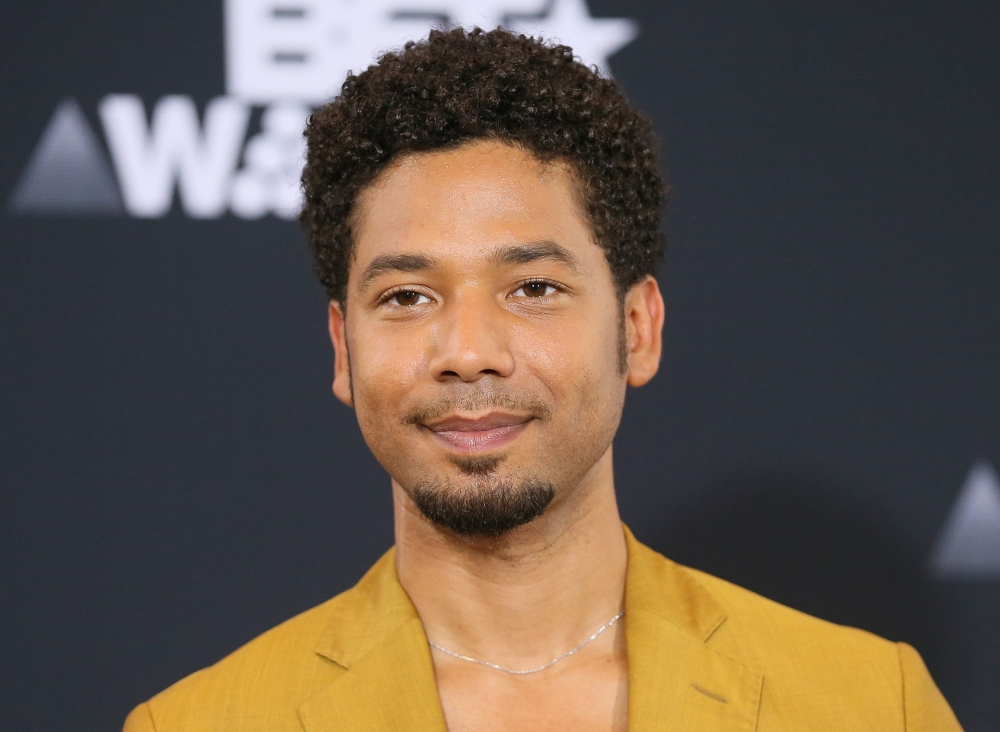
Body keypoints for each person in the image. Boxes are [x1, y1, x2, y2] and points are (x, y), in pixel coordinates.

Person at [123, 27, 962, 732]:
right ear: (344, 349)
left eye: (534, 289)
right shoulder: (204, 721)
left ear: (637, 329)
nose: (469, 350)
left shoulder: (867, 703)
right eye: (407, 296)